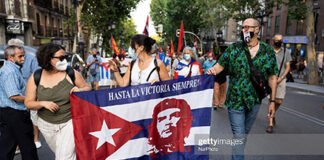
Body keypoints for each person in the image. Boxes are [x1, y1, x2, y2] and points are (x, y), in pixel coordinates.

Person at [207, 18, 278, 160]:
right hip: (235, 100)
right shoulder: (234, 48)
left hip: (255, 101)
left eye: (248, 27)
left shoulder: (267, 51)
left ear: (257, 30)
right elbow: (219, 66)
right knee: (239, 135)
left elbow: (272, 77)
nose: (244, 30)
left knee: (242, 136)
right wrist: (211, 71)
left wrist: (272, 101)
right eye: (242, 27)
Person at [24, 43, 91, 160]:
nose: (64, 60)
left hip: (70, 121)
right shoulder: (36, 77)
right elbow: (28, 103)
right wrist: (43, 103)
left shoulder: (71, 73)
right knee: (63, 154)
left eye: (65, 57)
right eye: (61, 58)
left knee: (64, 157)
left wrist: (79, 90)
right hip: (46, 125)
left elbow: (88, 88)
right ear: (48, 58)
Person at [0, 46, 39, 160]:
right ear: (10, 57)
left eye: (23, 56)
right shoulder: (10, 71)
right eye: (20, 56)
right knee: (27, 146)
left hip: (9, 112)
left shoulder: (11, 69)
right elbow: (14, 95)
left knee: (7, 145)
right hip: (15, 113)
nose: (23, 59)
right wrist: (31, 99)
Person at [7, 39, 42, 151]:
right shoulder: (9, 62)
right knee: (19, 121)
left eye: (14, 47)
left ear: (22, 49)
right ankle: (18, 144)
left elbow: (37, 75)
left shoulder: (31, 59)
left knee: (33, 117)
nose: (11, 50)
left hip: (30, 92)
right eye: (10, 48)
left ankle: (36, 138)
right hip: (16, 95)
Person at [266, 34, 292, 133]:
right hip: (270, 79)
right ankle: (270, 124)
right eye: (277, 40)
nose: (279, 42)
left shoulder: (286, 52)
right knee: (271, 100)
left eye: (281, 40)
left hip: (281, 79)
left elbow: (288, 67)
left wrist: (281, 78)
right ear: (273, 41)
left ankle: (273, 113)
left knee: (279, 101)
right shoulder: (268, 51)